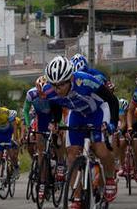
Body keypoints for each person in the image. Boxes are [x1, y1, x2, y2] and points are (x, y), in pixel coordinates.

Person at [43, 56, 119, 207]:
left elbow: (112, 100)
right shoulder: (49, 90)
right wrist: (55, 122)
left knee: (100, 150)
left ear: (70, 77)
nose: (58, 90)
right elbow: (56, 106)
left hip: (98, 111)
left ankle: (110, 178)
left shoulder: (85, 81)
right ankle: (77, 198)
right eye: (54, 85)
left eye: (61, 85)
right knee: (71, 154)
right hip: (77, 114)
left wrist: (112, 124)